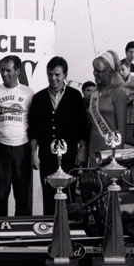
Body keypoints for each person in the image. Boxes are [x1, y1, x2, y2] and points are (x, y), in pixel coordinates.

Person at [28, 56, 88, 215]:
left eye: (57, 75)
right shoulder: (39, 98)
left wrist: (82, 150)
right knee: (48, 195)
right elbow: (33, 128)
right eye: (50, 74)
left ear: (65, 75)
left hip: (70, 156)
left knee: (68, 195)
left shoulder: (75, 96)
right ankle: (49, 231)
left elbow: (83, 126)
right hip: (46, 155)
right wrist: (34, 153)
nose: (53, 78)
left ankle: (69, 232)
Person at [0, 55, 34, 217]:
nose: (5, 74)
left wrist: (34, 152)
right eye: (2, 70)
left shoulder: (28, 93)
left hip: (23, 149)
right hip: (1, 148)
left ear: (18, 71)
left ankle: (21, 238)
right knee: (0, 196)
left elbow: (32, 124)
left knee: (23, 197)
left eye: (9, 70)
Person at [86, 51, 127, 166]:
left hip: (110, 149)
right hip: (94, 148)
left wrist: (117, 154)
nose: (95, 74)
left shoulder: (118, 93)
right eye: (94, 70)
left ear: (110, 72)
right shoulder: (94, 94)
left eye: (99, 71)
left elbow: (122, 128)